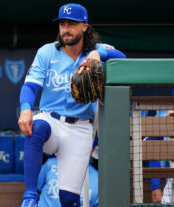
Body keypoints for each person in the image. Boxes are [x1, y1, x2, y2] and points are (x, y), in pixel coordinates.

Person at [17, 3, 126, 207]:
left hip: (81, 128)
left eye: (72, 24)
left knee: (69, 199)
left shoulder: (96, 50)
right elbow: (30, 86)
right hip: (52, 120)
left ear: (85, 26)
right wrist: (25, 109)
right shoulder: (47, 52)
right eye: (62, 24)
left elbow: (122, 58)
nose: (65, 29)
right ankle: (30, 197)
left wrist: (99, 55)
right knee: (36, 128)